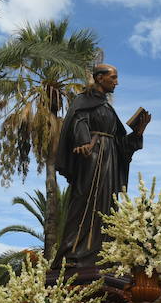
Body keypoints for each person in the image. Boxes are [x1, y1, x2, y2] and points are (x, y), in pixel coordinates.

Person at [52, 63, 151, 270]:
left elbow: (120, 144)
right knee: (84, 203)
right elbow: (80, 122)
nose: (117, 82)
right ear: (99, 78)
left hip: (110, 162)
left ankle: (103, 255)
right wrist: (83, 142)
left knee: (107, 207)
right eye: (113, 77)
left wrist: (138, 132)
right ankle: (73, 254)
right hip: (92, 160)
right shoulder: (83, 101)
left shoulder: (107, 107)